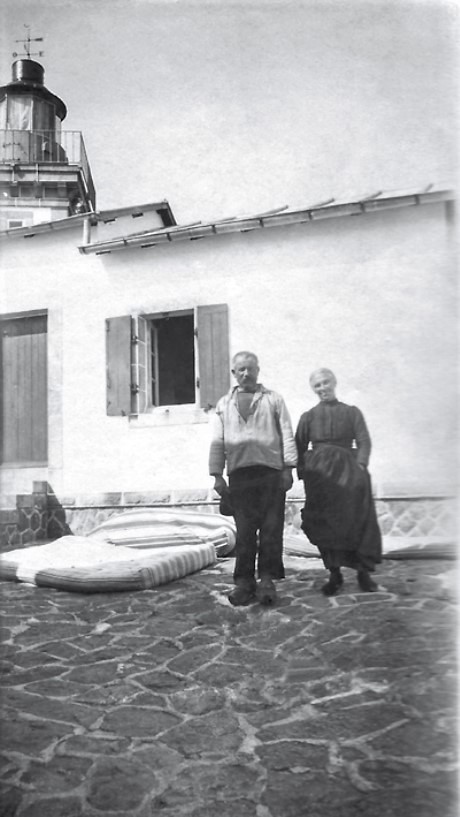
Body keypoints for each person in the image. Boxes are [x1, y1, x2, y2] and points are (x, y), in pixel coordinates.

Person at [209, 351, 297, 606]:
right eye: (241, 369)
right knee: (245, 533)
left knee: (271, 530)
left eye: (251, 368)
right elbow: (217, 442)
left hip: (270, 473)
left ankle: (267, 581)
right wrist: (217, 475)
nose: (246, 373)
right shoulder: (224, 404)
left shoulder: (273, 400)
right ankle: (244, 583)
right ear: (234, 374)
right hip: (240, 476)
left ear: (258, 370)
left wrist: (288, 468)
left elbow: (287, 434)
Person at [295, 368, 382, 595]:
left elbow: (364, 440)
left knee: (358, 521)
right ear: (313, 389)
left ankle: (364, 574)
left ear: (334, 382)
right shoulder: (308, 417)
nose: (323, 388)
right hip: (321, 479)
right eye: (317, 385)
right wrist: (306, 474)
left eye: (326, 383)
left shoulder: (352, 413)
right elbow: (299, 447)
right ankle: (334, 575)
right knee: (326, 524)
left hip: (350, 475)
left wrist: (361, 466)